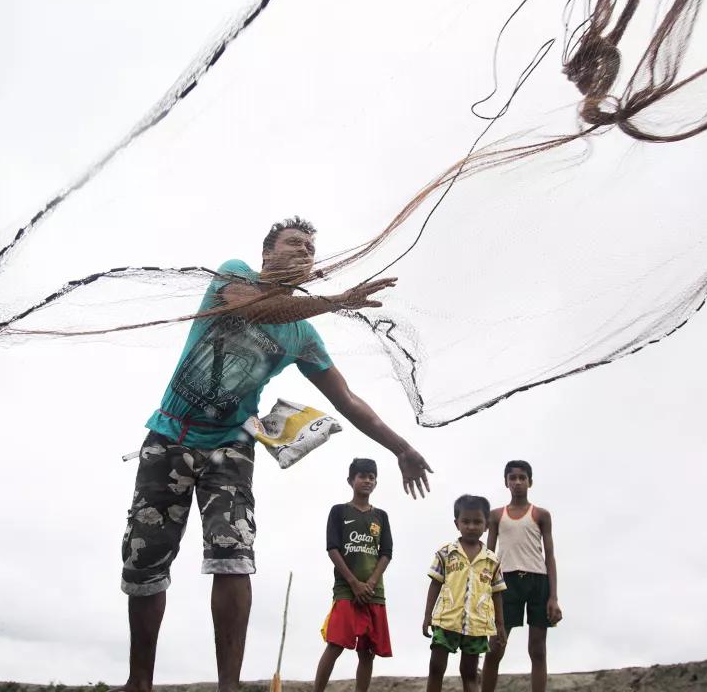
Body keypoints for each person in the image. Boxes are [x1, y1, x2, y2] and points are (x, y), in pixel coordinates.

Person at [119, 217, 433, 692]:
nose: (303, 252)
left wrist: (402, 448)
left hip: (232, 446)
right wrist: (338, 302)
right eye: (294, 243)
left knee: (233, 553)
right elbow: (256, 310)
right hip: (170, 436)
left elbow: (347, 401)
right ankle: (139, 681)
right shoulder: (234, 275)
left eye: (310, 249)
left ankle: (229, 687)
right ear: (267, 253)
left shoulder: (304, 337)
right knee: (145, 563)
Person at [481, 460, 561, 692]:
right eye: (513, 478)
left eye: (522, 478)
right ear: (506, 482)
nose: (517, 482)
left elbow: (550, 556)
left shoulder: (541, 515)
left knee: (537, 649)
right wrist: (485, 589)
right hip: (506, 582)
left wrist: (553, 597)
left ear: (530, 482)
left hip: (538, 580)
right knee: (495, 646)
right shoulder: (496, 515)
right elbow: (488, 555)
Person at [314, 458, 393, 692]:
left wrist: (369, 583)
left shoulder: (381, 516)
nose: (367, 480)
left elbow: (386, 553)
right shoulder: (339, 512)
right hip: (346, 589)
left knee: (367, 652)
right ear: (351, 480)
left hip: (373, 591)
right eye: (362, 476)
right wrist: (354, 583)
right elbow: (332, 548)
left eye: (372, 476)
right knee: (335, 643)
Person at [423, 495, 506, 692]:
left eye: (477, 522)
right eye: (465, 521)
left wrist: (500, 625)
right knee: (436, 667)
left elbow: (497, 594)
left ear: (486, 526)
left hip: (477, 625)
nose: (471, 526)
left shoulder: (492, 561)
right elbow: (435, 584)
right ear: (456, 523)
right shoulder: (445, 553)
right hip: (446, 620)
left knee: (469, 673)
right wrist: (428, 616)